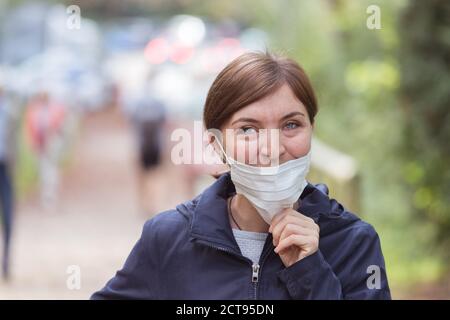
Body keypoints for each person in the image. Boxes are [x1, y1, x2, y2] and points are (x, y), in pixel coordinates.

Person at [92, 51, 391, 299]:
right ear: (217, 144)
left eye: (291, 125)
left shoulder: (354, 242)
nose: (271, 149)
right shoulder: (169, 238)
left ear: (312, 129)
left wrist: (310, 272)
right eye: (248, 129)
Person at [0, 83, 15, 280]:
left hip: (5, 168)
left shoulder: (10, 114)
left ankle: (6, 262)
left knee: (8, 217)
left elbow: (15, 144)